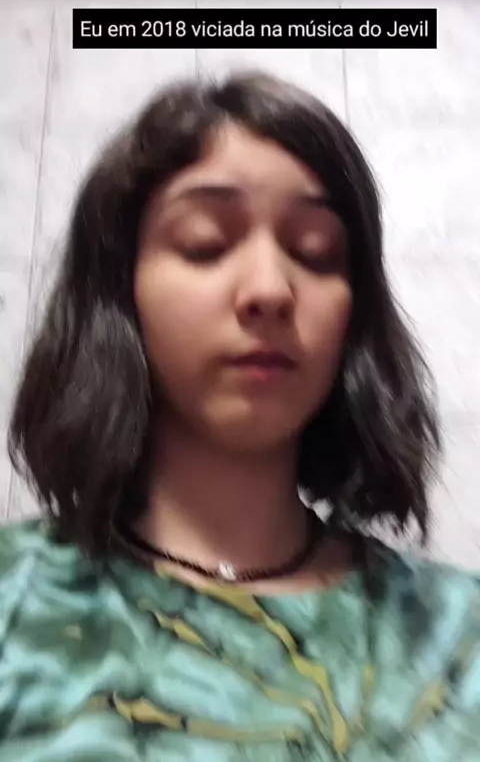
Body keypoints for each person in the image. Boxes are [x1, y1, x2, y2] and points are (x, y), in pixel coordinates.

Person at [0, 70, 478, 761]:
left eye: (316, 254)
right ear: (120, 293)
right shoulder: (15, 600)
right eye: (205, 244)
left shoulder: (458, 639)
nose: (270, 290)